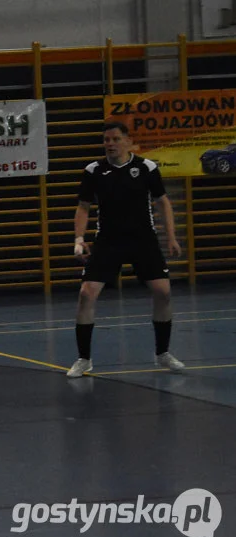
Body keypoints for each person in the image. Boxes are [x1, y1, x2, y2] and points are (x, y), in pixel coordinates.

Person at [67, 121, 185, 378]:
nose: (110, 144)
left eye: (115, 139)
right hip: (108, 241)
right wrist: (79, 238)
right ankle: (84, 359)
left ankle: (162, 353)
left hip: (143, 239)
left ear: (128, 141)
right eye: (106, 140)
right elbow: (84, 206)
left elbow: (163, 203)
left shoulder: (146, 168)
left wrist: (172, 237)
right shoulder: (93, 170)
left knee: (163, 292)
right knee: (86, 295)